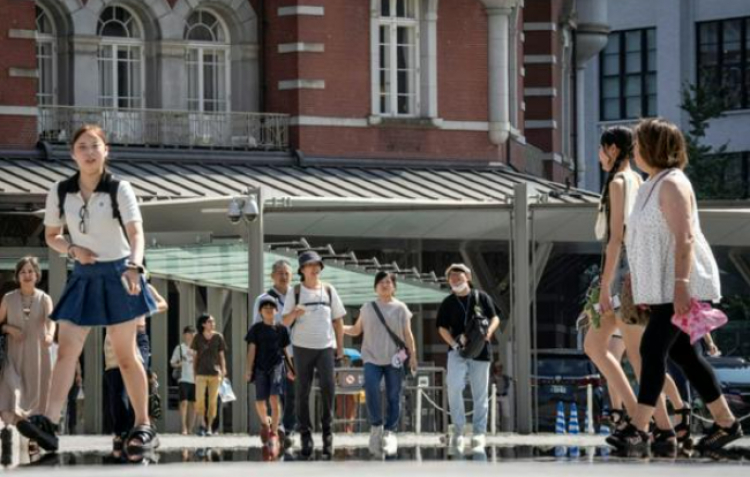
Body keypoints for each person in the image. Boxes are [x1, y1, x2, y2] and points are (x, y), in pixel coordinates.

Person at [17, 124, 158, 456]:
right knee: (67, 351)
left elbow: (136, 234)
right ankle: (50, 423)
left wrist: (135, 266)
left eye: (95, 146)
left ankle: (143, 425)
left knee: (125, 355)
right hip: (83, 274)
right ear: (73, 154)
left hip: (119, 272)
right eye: (82, 146)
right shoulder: (60, 191)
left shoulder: (119, 188)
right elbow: (51, 236)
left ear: (106, 150)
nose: (90, 152)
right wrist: (72, 249)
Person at [615, 117, 742, 452]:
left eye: (639, 144)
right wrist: (636, 275)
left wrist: (682, 284)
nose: (635, 150)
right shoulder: (650, 184)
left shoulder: (673, 183)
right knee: (684, 354)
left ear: (653, 147)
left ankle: (639, 427)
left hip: (677, 283)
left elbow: (684, 237)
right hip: (661, 285)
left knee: (652, 349)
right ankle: (726, 422)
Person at [584, 126, 688, 450]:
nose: (599, 156)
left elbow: (616, 239)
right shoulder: (640, 181)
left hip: (624, 275)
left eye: (601, 149)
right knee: (598, 346)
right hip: (633, 272)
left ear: (613, 149)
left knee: (639, 357)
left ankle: (662, 428)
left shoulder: (618, 183)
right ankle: (645, 419)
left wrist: (604, 287)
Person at [344, 271, 417, 456]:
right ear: (375, 287)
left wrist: (413, 356)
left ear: (394, 287)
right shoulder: (367, 308)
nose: (385, 285)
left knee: (394, 395)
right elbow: (355, 330)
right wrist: (338, 327)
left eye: (388, 282)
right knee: (371, 388)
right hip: (371, 358)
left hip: (394, 359)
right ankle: (376, 426)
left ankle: (390, 431)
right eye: (381, 282)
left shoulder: (401, 308)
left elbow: (408, 334)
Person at [282, 251, 346, 459]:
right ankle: (305, 435)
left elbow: (338, 321)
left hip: (325, 347)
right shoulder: (295, 291)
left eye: (317, 264)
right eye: (310, 265)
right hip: (301, 347)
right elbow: (284, 322)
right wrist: (295, 313)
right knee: (302, 391)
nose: (314, 268)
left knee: (328, 387)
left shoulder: (328, 290)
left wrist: (340, 348)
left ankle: (328, 433)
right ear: (302, 269)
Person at [437, 264, 500, 453]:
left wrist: (489, 332)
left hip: (481, 350)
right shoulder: (448, 302)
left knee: (480, 393)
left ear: (469, 277)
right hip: (457, 351)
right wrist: (454, 344)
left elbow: (495, 317)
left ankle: (479, 433)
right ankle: (458, 430)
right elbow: (441, 327)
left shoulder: (481, 297)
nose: (455, 279)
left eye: (459, 275)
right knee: (454, 386)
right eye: (451, 277)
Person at [0, 257, 56, 455]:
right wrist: (9, 329)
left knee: (36, 398)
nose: (27, 275)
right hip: (13, 356)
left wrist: (50, 335)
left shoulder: (44, 298)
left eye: (31, 271)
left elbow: (51, 321)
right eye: (23, 271)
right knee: (11, 391)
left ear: (37, 275)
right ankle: (15, 427)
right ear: (17, 276)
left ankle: (33, 437)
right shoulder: (8, 299)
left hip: (38, 356)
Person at [250, 259, 296, 447]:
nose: (284, 277)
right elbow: (256, 328)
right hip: (272, 354)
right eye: (280, 273)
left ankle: (287, 428)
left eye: (287, 273)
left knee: (292, 393)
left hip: (296, 351)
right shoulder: (263, 299)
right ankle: (277, 427)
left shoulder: (298, 296)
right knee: (274, 393)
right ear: (272, 276)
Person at [245, 296, 294, 457]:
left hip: (277, 367)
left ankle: (273, 432)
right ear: (260, 311)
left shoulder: (281, 329)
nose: (268, 309)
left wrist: (291, 369)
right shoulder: (255, 329)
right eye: (265, 307)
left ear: (276, 311)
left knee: (274, 397)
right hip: (260, 368)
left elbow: (285, 351)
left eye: (271, 307)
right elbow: (252, 350)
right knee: (260, 400)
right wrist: (248, 369)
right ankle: (265, 424)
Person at [192, 313, 227, 436]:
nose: (212, 324)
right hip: (201, 373)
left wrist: (224, 369)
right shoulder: (197, 337)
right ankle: (202, 423)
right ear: (203, 324)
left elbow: (221, 356)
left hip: (215, 373)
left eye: (213, 321)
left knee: (213, 401)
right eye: (210, 321)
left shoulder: (218, 337)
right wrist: (194, 372)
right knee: (199, 399)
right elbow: (195, 356)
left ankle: (210, 427)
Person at [171, 326, 197, 435]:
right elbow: (172, 363)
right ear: (184, 335)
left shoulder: (197, 348)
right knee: (184, 402)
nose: (190, 335)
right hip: (183, 378)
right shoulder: (180, 348)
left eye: (192, 333)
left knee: (194, 404)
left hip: (195, 379)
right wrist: (179, 364)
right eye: (189, 333)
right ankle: (184, 427)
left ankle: (191, 428)